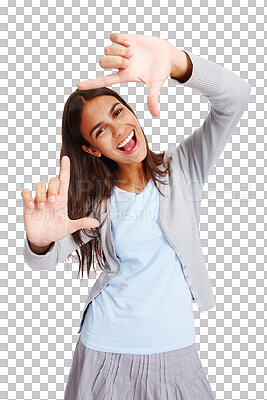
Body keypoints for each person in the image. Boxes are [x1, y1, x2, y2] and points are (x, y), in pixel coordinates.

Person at [22, 32, 251, 400]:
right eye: (101, 131)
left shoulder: (184, 167)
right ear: (91, 149)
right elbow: (42, 260)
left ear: (131, 110)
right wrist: (39, 240)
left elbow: (236, 98)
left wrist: (178, 62)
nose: (119, 130)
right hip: (105, 352)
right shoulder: (92, 201)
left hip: (176, 352)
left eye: (118, 113)